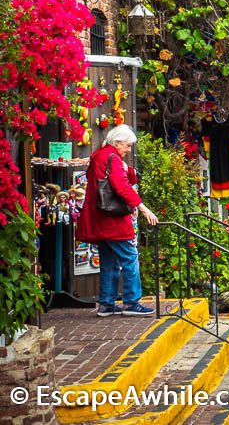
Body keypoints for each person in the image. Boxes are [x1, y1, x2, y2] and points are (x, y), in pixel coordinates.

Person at [77, 125, 158, 317]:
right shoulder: (111, 158)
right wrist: (143, 208)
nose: (129, 150)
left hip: (99, 216)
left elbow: (128, 177)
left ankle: (106, 303)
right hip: (112, 219)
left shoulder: (100, 155)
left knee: (109, 260)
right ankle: (131, 302)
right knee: (130, 257)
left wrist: (125, 167)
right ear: (118, 142)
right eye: (128, 146)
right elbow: (122, 187)